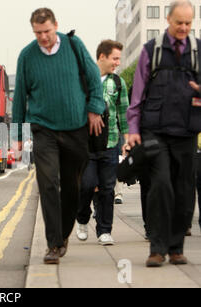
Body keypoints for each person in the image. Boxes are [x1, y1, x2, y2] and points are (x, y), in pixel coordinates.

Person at [12, 8, 105, 265]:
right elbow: (19, 95)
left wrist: (95, 109)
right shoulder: (27, 56)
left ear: (56, 26)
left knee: (73, 188)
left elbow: (94, 77)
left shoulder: (74, 45)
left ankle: (63, 235)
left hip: (75, 129)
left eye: (47, 32)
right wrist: (17, 134)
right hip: (44, 129)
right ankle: (53, 244)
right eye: (38, 33)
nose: (43, 37)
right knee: (48, 184)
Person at [127, 0, 200, 267]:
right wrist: (133, 130)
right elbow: (137, 95)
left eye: (188, 23)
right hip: (155, 131)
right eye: (179, 22)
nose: (183, 27)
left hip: (187, 130)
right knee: (160, 186)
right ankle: (157, 249)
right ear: (168, 20)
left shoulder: (198, 51)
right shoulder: (151, 50)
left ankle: (176, 247)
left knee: (184, 190)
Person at [76, 40, 129, 245]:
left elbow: (123, 114)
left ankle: (104, 230)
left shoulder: (118, 82)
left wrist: (125, 141)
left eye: (118, 59)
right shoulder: (83, 81)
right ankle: (82, 218)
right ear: (102, 57)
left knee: (107, 189)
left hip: (110, 142)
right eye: (114, 58)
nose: (117, 63)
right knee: (87, 185)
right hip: (86, 145)